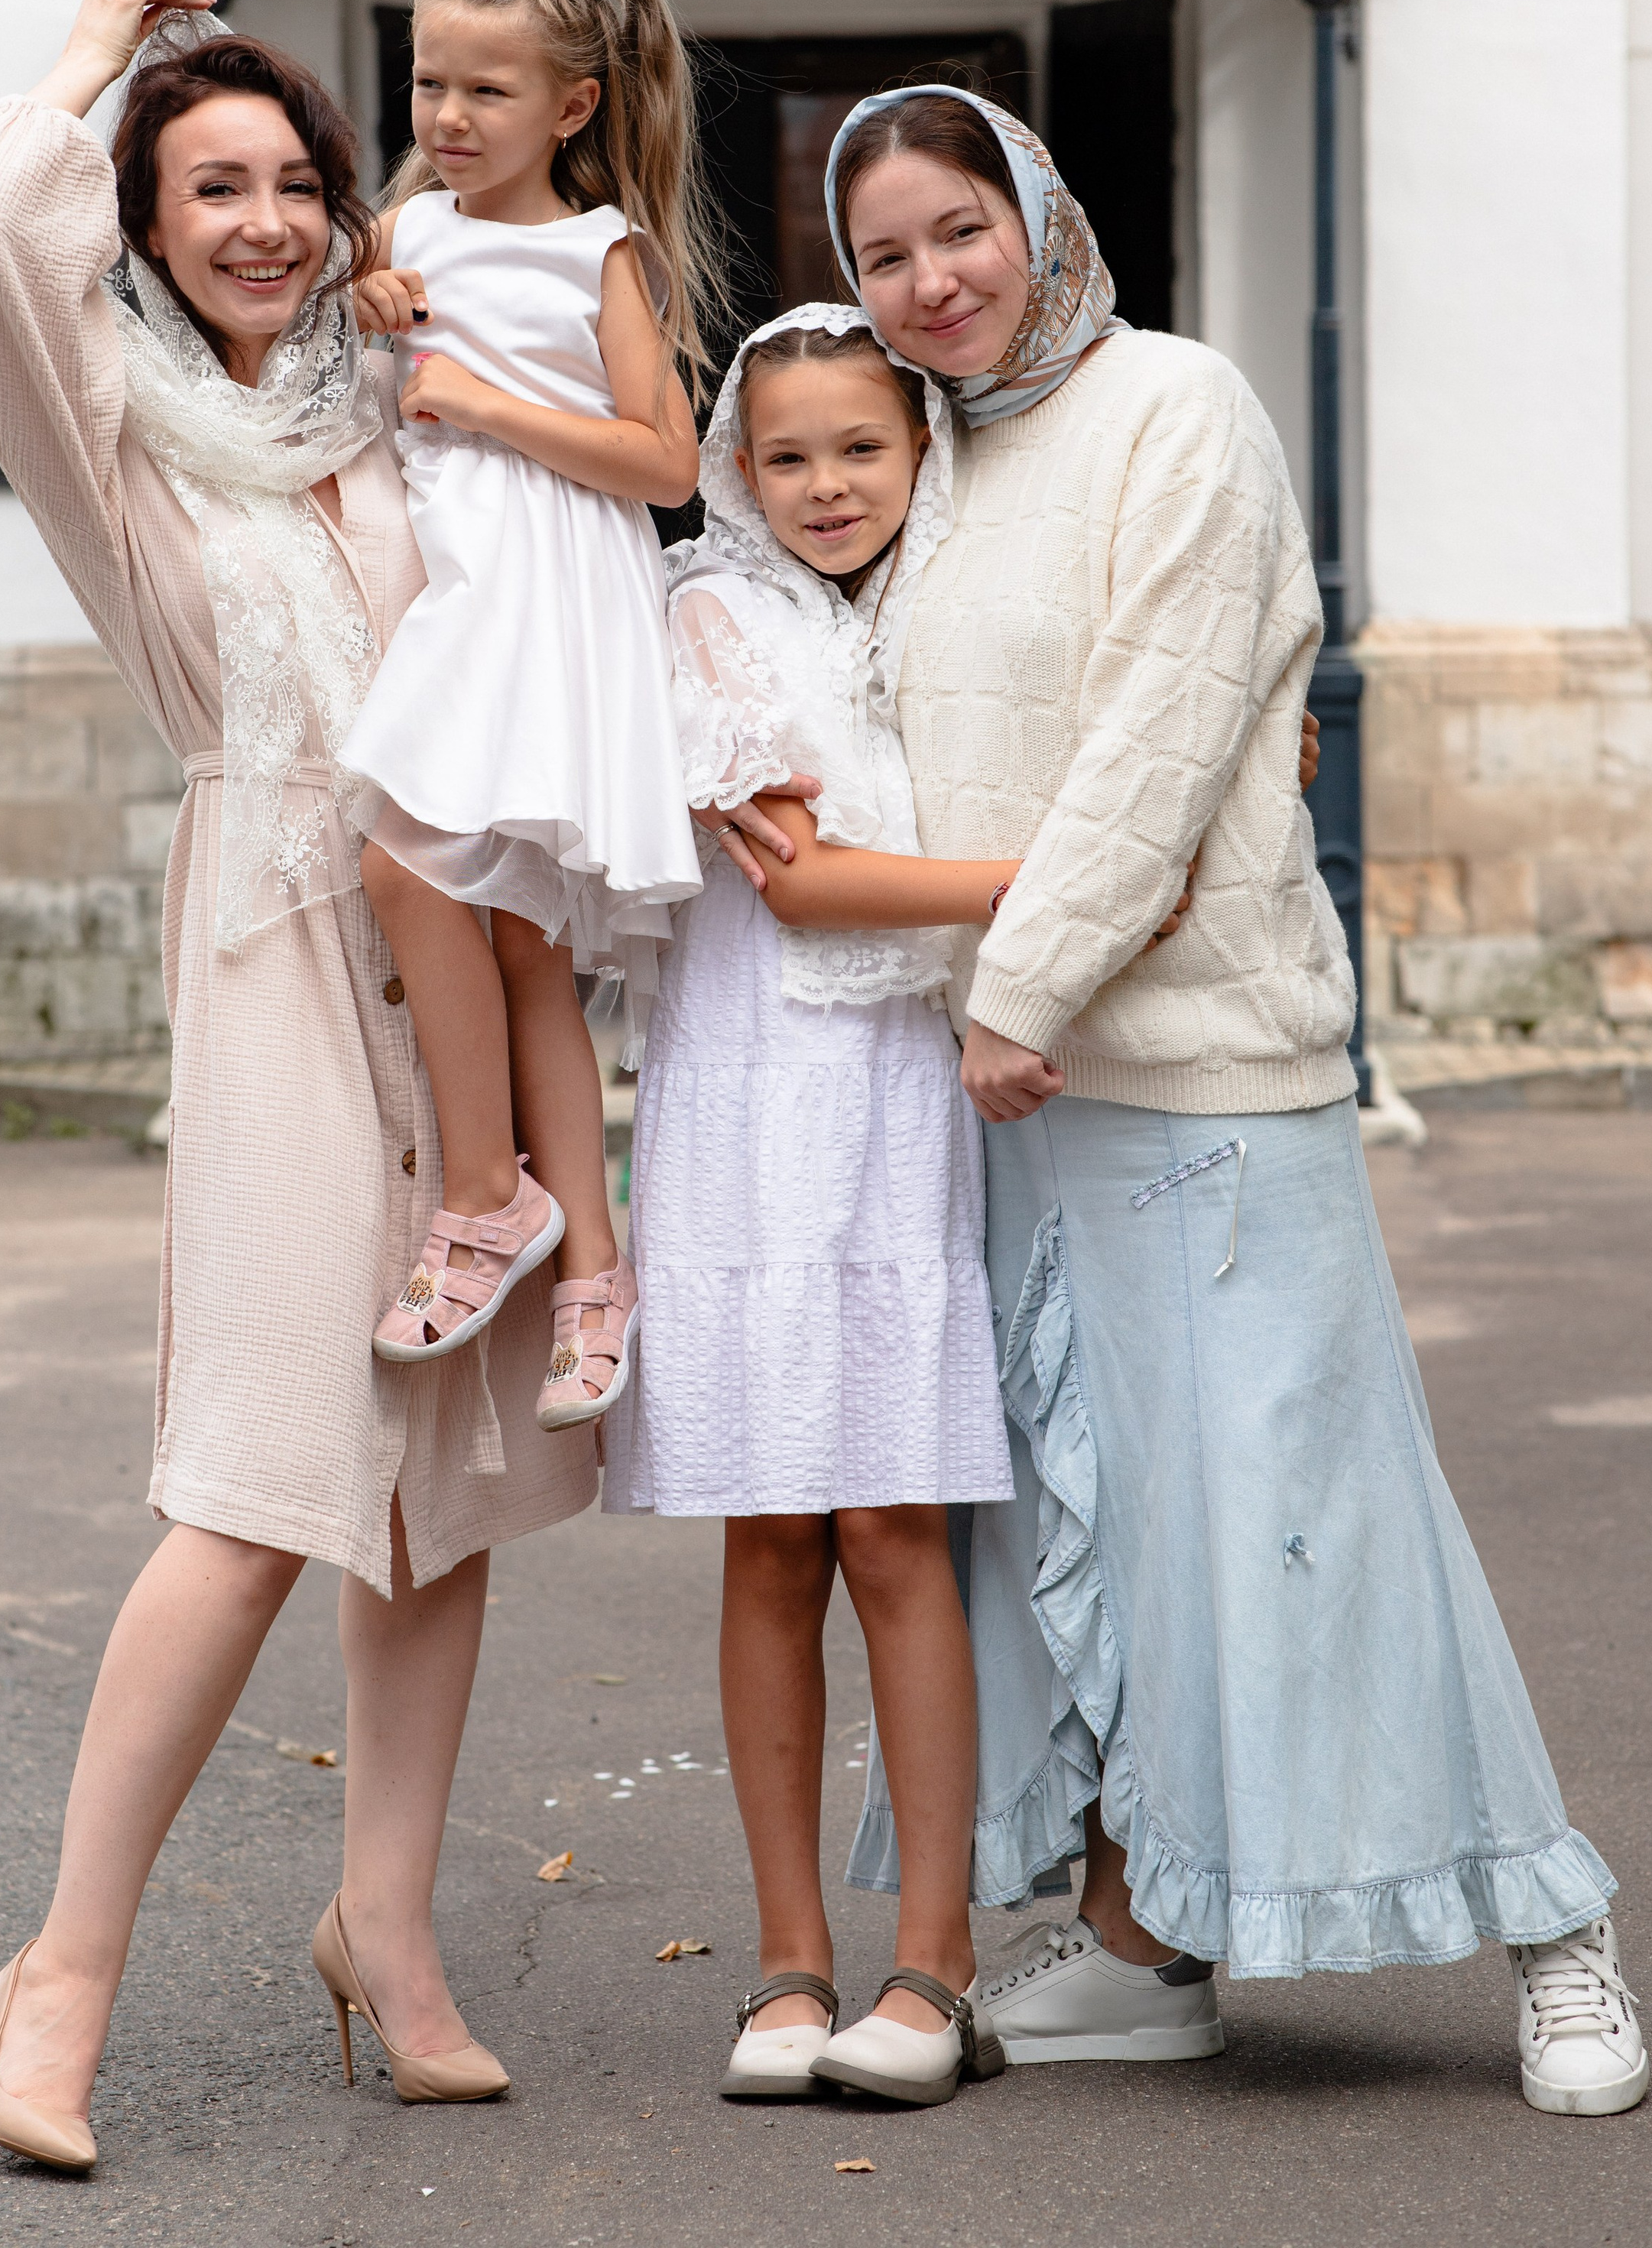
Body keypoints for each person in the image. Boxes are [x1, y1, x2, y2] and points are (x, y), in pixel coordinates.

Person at [801, 84, 1646, 2117]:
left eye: (958, 231)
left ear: (1043, 215)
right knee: (1102, 1524)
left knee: (1315, 1515)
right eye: (885, 254)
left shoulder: (1181, 411)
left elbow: (1170, 733)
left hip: (1201, 1071)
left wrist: (1021, 988)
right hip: (1016, 1102)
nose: (929, 283)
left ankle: (1559, 1930)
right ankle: (1145, 1941)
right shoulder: (937, 458)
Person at [0, 0, 598, 2172]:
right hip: (275, 953)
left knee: (436, 1489)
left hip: (457, 962)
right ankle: (59, 1973)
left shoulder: (386, 403)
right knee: (256, 1482)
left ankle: (389, 1924)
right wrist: (98, 53)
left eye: (288, 180)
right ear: (148, 235)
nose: (257, 218)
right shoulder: (115, 430)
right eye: (207, 190)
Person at [605, 305, 1021, 2107]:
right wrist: (1092, 870)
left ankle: (932, 1968)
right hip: (740, 1104)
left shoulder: (954, 617)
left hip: (899, 1104)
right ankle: (788, 1963)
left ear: (920, 449)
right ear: (732, 468)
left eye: (860, 446)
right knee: (768, 1533)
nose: (825, 484)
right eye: (785, 455)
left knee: (893, 1530)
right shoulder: (712, 613)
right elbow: (800, 886)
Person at [341, 0, 710, 1435]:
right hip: (459, 578)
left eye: (486, 87)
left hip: (548, 584)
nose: (447, 113)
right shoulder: (400, 224)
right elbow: (341, 355)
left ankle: (493, 1198)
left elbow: (666, 461)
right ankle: (592, 1265)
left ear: (568, 105)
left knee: (430, 877)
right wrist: (364, 311)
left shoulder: (596, 249)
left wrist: (485, 402)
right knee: (501, 932)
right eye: (429, 80)